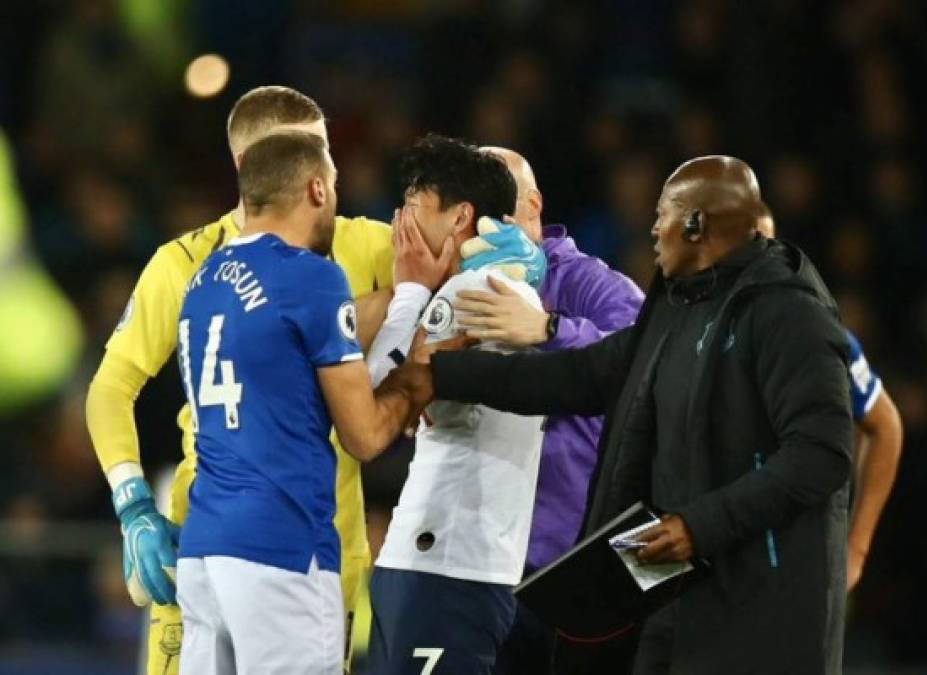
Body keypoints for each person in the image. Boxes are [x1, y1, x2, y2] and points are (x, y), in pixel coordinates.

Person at [387, 155, 854, 674]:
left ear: (701, 225)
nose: (652, 227)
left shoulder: (790, 313)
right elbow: (581, 377)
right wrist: (444, 377)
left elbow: (823, 455)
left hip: (762, 605)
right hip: (671, 594)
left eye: (665, 214)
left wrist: (698, 525)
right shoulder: (678, 309)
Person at [84, 86, 401, 675]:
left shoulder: (360, 241)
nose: (319, 180)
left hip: (316, 544)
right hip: (242, 542)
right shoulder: (181, 260)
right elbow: (110, 388)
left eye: (319, 153)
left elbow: (449, 262)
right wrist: (133, 506)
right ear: (247, 165)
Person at [175, 131, 417, 674]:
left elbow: (298, 334)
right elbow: (365, 436)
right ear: (315, 188)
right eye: (333, 185)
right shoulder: (311, 276)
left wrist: (407, 297)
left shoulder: (202, 283)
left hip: (205, 549)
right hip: (281, 549)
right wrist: (413, 385)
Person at [451, 146, 644, 674]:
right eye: (469, 211)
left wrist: (549, 329)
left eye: (497, 209)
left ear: (532, 205)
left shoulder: (588, 283)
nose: (479, 227)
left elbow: (646, 363)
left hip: (565, 568)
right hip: (478, 562)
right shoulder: (454, 286)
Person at [364, 135, 547, 675]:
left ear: (461, 215)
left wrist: (410, 293)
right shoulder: (500, 285)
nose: (401, 222)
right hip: (461, 559)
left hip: (442, 561)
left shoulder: (471, 290)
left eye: (415, 206)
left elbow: (375, 398)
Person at [757, 210, 903, 590]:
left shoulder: (818, 336)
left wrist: (855, 550)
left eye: (764, 247)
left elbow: (885, 426)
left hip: (793, 568)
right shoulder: (683, 332)